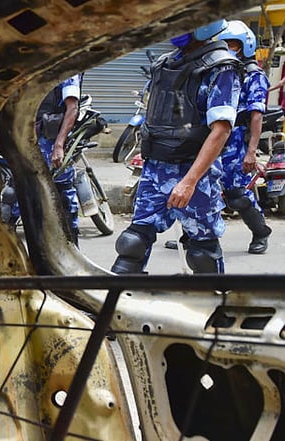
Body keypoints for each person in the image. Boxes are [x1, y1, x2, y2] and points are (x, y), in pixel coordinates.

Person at [112, 19, 240, 274]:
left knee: (202, 251)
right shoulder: (165, 63)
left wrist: (190, 181)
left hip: (194, 172)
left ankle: (213, 306)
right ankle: (114, 304)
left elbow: (221, 130)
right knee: (133, 242)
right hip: (156, 167)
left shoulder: (221, 66)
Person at [217, 20, 273, 253]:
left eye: (232, 44)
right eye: (224, 44)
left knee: (237, 194)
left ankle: (260, 232)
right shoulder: (220, 71)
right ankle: (195, 235)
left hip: (236, 140)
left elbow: (256, 117)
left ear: (244, 46)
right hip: (211, 137)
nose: (227, 48)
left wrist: (251, 152)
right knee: (201, 187)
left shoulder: (254, 76)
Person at [35, 74, 82, 243]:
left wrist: (59, 145)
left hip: (50, 143)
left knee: (63, 198)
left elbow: (72, 108)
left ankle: (71, 247)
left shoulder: (67, 72)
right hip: (30, 140)